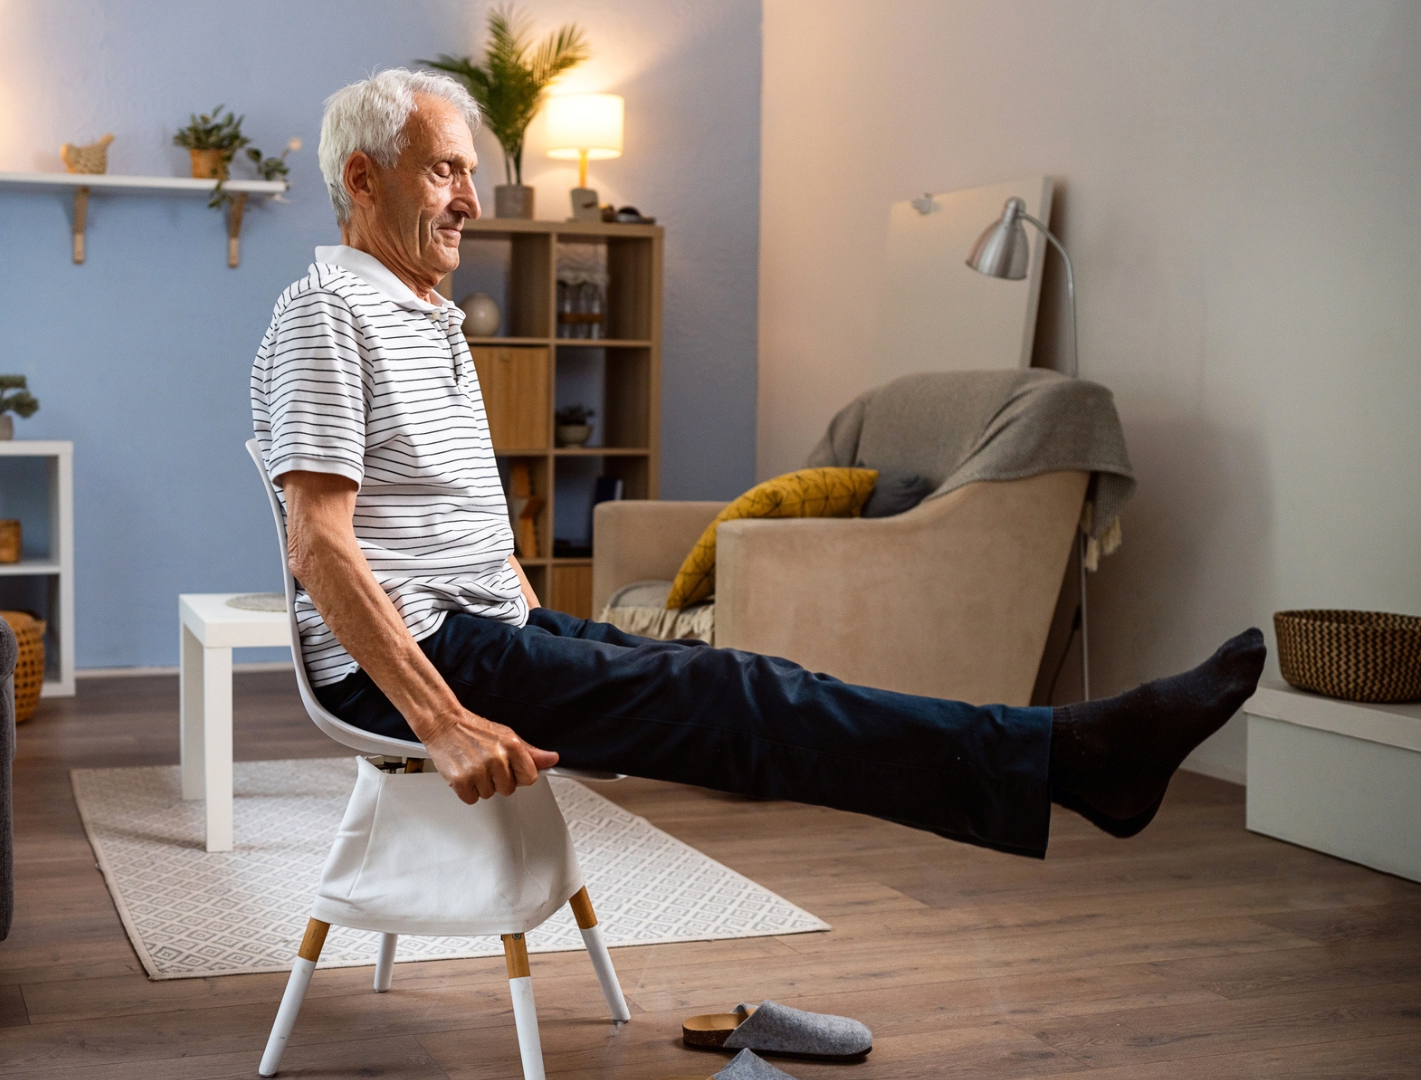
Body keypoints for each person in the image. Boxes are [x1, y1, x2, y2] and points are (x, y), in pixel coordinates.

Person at [250, 69, 1262, 859]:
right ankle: (1072, 758)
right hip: (427, 666)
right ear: (363, 178)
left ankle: (1068, 760)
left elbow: (455, 519)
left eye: (470, 170)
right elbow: (318, 545)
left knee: (742, 681)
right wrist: (448, 722)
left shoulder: (422, 315)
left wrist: (551, 627)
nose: (472, 197)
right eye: (445, 171)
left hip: (488, 634)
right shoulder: (328, 314)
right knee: (743, 703)